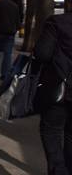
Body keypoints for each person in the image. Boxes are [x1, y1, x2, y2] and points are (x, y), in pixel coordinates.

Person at [33, 13, 72, 175]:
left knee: (51, 131)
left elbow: (42, 53)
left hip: (59, 88)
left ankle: (59, 170)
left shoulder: (58, 22)